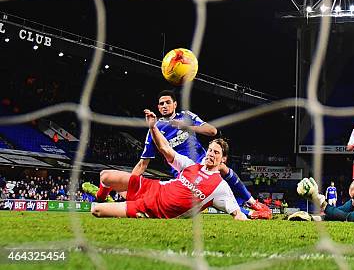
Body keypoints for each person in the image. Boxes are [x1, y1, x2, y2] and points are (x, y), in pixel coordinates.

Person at [99, 90, 270, 219]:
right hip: (184, 174)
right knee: (210, 198)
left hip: (203, 163)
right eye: (161, 104)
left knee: (223, 169)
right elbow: (143, 164)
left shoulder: (186, 117)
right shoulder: (156, 129)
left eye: (167, 102)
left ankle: (254, 204)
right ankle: (249, 213)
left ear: (175, 104)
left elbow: (212, 131)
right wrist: (130, 185)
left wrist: (186, 127)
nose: (164, 106)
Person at [84, 111, 247, 220]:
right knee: (104, 176)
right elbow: (164, 148)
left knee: (96, 210)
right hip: (153, 187)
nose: (211, 154)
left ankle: (114, 205)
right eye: (210, 150)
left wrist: (248, 216)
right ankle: (102, 196)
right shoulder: (191, 165)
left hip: (154, 208)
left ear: (223, 159)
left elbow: (236, 212)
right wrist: (153, 127)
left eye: (216, 153)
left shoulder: (221, 187)